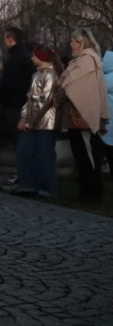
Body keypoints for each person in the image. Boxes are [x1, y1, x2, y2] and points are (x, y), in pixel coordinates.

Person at [56, 28, 111, 202]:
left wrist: (58, 95)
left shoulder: (86, 61)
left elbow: (70, 86)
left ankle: (91, 193)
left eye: (73, 41)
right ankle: (89, 191)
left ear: (80, 42)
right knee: (84, 154)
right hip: (81, 115)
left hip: (82, 115)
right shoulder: (87, 60)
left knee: (86, 155)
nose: (70, 44)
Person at [12, 45, 63, 197]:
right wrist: (23, 117)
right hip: (32, 121)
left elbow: (45, 102)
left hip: (47, 121)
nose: (31, 58)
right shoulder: (36, 75)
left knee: (45, 154)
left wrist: (30, 123)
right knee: (24, 151)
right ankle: (28, 184)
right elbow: (29, 98)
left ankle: (47, 187)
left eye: (34, 55)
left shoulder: (51, 75)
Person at [0, 27, 35, 154]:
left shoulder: (14, 58)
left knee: (18, 141)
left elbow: (8, 82)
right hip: (26, 103)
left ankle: (23, 171)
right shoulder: (27, 55)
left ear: (10, 39)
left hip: (14, 104)